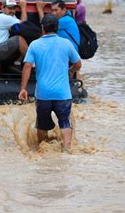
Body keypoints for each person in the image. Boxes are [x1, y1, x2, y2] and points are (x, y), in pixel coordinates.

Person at [19, 14, 82, 153]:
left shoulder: (35, 44)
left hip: (43, 94)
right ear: (57, 28)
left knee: (42, 125)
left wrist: (23, 88)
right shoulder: (66, 43)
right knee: (65, 122)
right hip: (63, 94)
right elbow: (78, 63)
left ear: (42, 28)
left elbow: (27, 66)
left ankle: (43, 149)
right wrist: (70, 71)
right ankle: (66, 149)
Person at [0, 0, 28, 65]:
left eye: (14, 8)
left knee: (24, 37)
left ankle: (18, 63)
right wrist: (24, 8)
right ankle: (33, 63)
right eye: (10, 8)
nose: (12, 11)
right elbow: (24, 25)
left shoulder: (11, 16)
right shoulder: (2, 17)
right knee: (18, 39)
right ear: (3, 8)